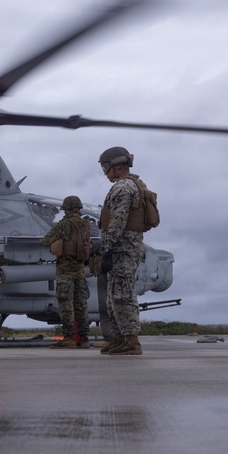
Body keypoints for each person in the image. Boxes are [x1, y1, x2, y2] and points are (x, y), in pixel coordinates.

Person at [96, 146, 147, 356]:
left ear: (117, 167)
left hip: (123, 249)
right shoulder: (128, 185)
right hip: (122, 248)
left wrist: (107, 247)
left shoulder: (123, 188)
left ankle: (132, 341)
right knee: (113, 297)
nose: (105, 172)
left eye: (106, 167)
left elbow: (117, 221)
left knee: (123, 295)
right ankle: (119, 338)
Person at [41, 195, 91, 349]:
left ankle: (68, 337)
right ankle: (83, 338)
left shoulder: (64, 224)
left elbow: (46, 240)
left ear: (66, 209)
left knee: (65, 304)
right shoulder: (85, 224)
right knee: (80, 305)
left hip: (65, 271)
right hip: (80, 271)